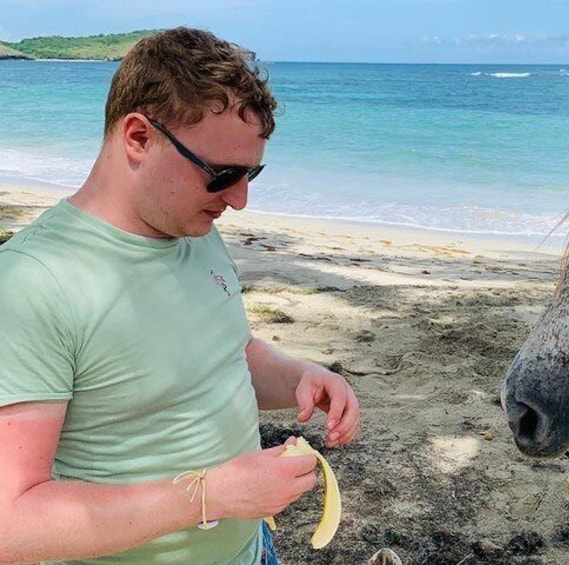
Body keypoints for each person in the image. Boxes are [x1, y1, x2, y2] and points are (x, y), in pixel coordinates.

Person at [0, 27, 360, 564]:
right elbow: (12, 524)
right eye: (222, 174)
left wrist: (299, 377)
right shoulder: (35, 283)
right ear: (139, 137)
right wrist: (210, 495)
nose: (239, 200)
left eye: (252, 173)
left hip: (250, 549)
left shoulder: (193, 229)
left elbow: (228, 353)